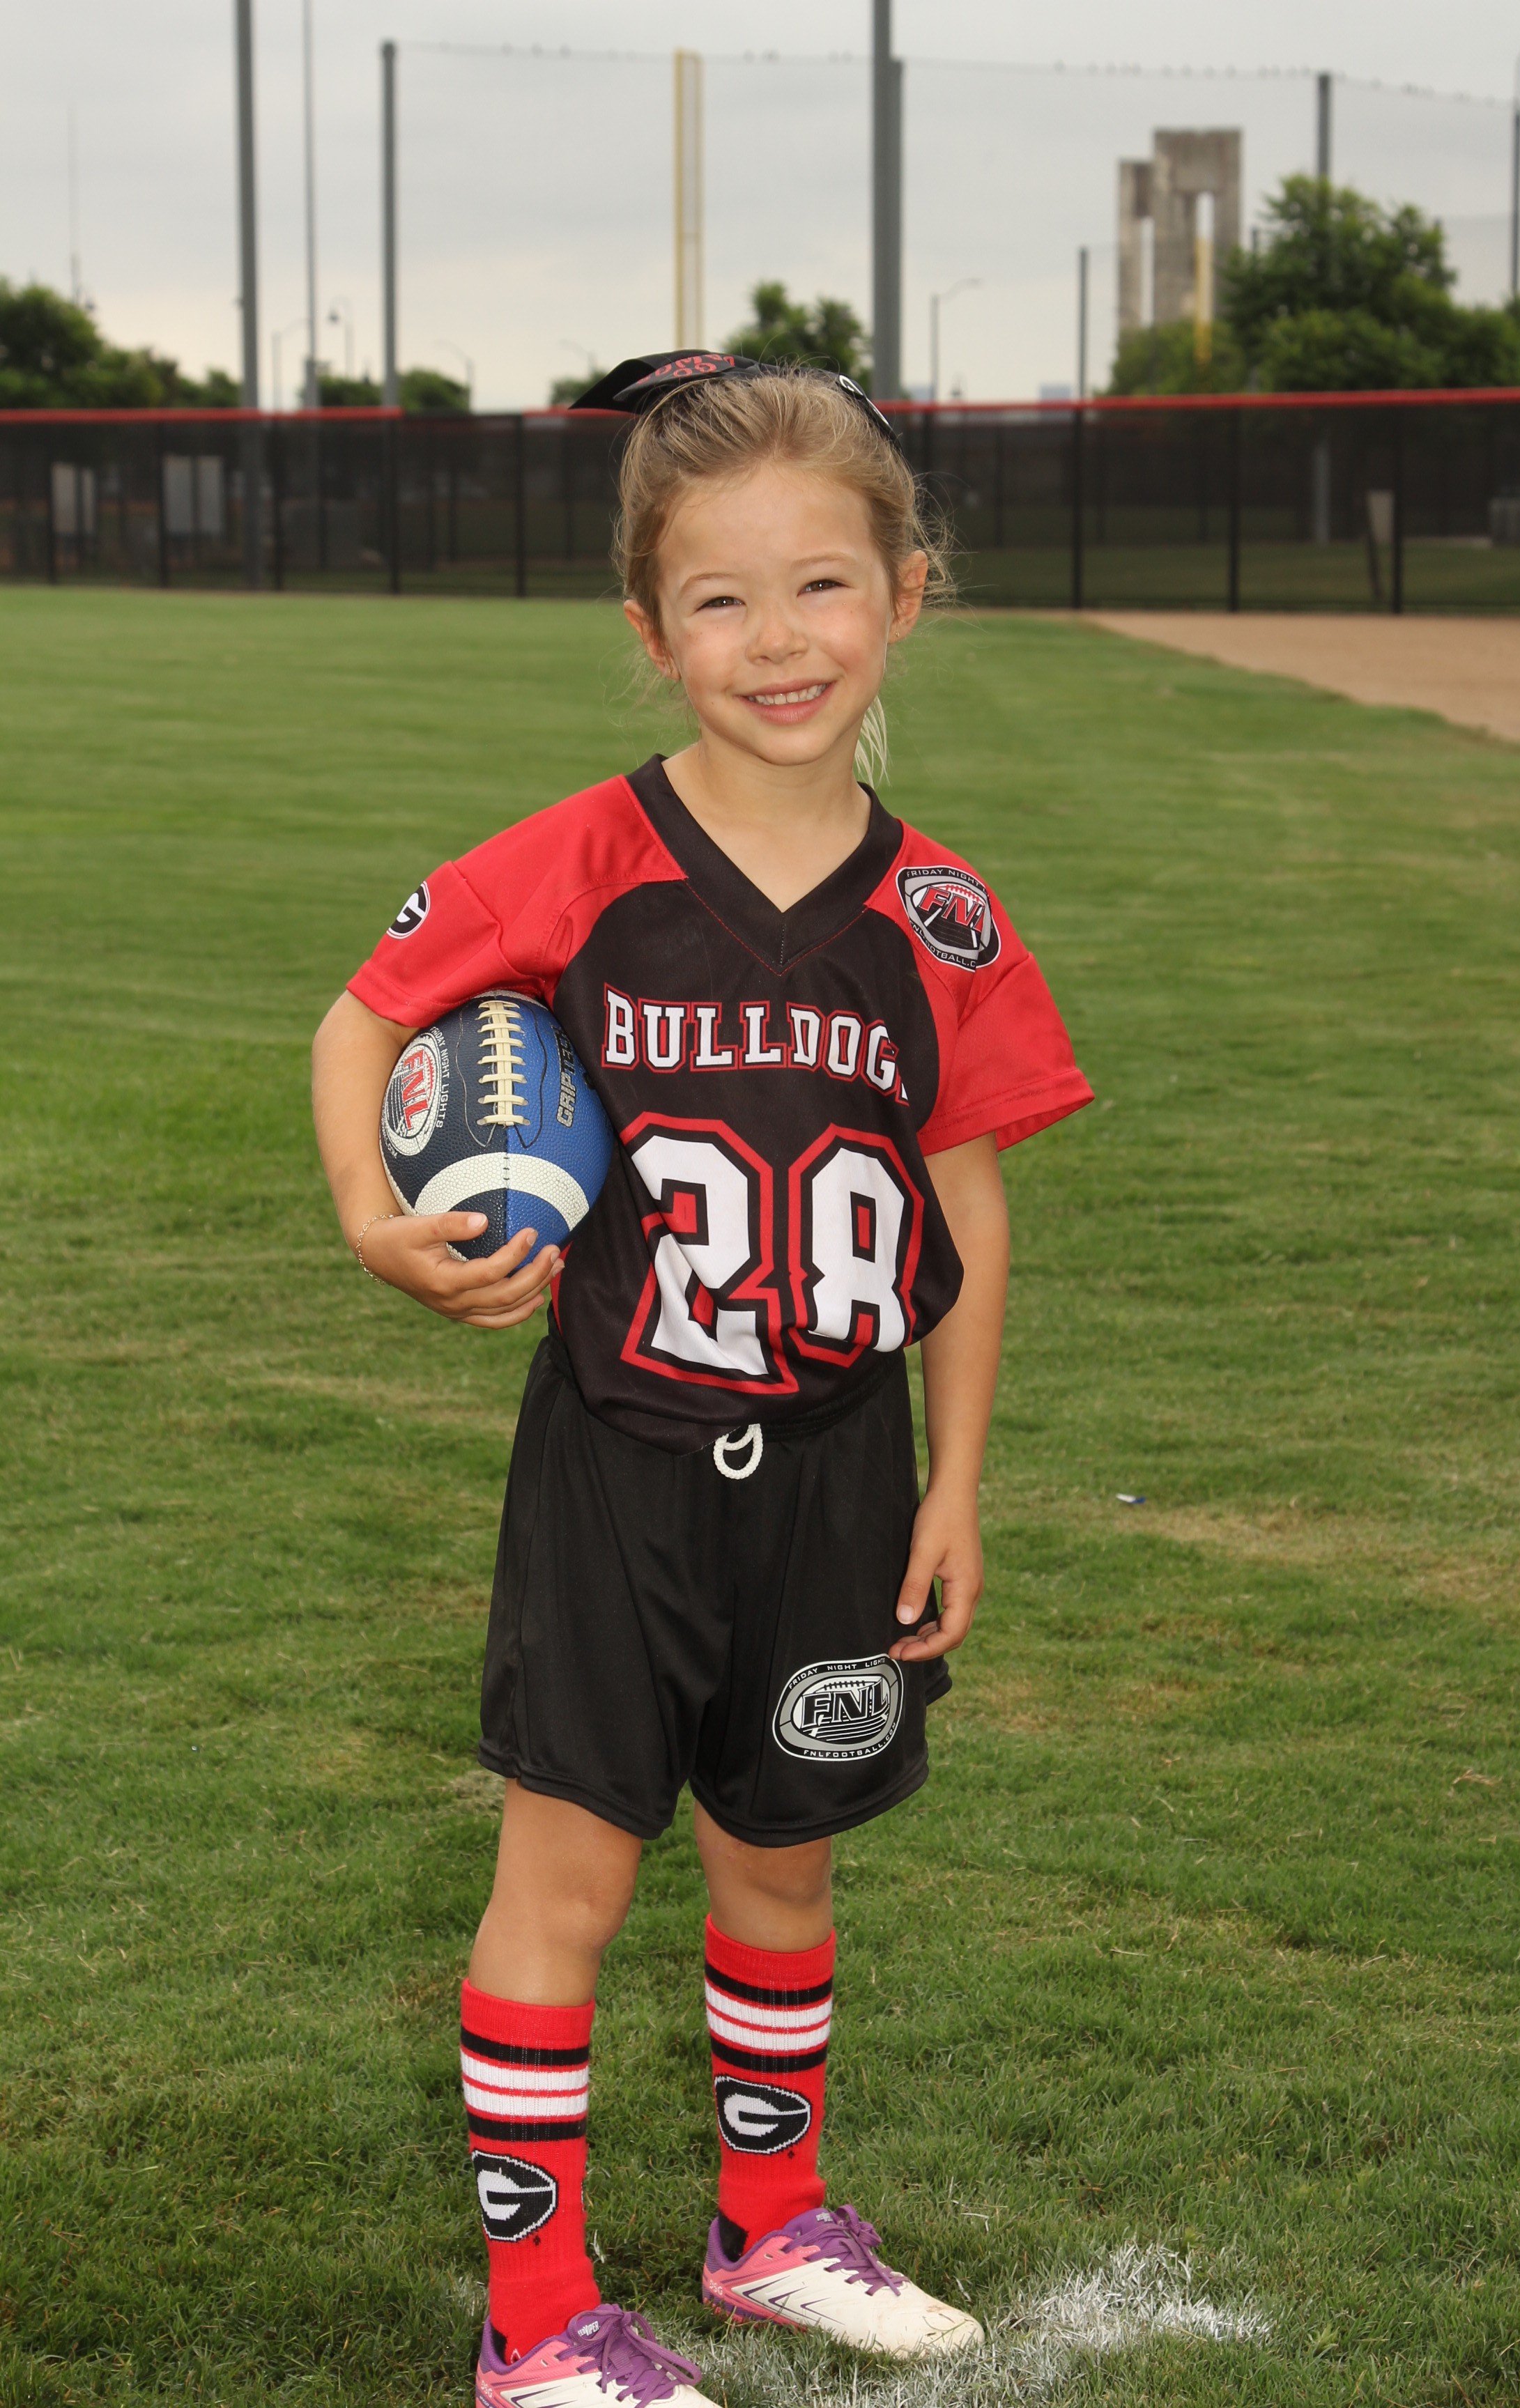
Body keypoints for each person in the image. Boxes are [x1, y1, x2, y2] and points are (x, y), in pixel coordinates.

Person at [312, 353, 1092, 2408]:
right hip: (624, 1460)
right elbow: (365, 1013)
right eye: (721, 600)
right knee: (565, 1881)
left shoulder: (941, 916)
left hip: (841, 1466)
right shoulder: (584, 858)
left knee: (787, 1858)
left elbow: (966, 1210)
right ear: (652, 631)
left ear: (905, 594)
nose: (779, 640)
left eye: (822, 586)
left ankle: (772, 2230)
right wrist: (375, 1219)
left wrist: (955, 1480)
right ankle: (539, 2319)